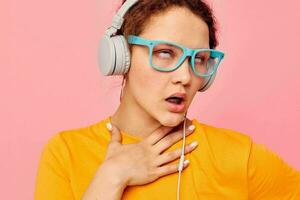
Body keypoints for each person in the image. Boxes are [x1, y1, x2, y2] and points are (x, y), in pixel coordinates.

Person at [34, 0, 300, 199]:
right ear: (121, 56)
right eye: (164, 53)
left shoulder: (238, 157)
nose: (185, 76)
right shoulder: (65, 154)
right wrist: (111, 177)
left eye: (198, 59)